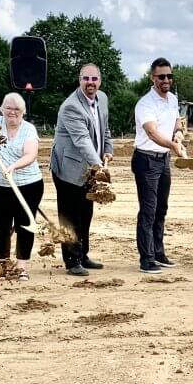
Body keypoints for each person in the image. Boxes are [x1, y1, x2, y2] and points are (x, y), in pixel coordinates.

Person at [51, 64, 113, 276]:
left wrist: (108, 149)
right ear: (79, 80)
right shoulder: (71, 107)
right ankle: (71, 260)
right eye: (86, 78)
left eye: (94, 79)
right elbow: (82, 141)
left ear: (100, 80)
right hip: (68, 168)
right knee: (70, 216)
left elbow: (105, 128)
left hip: (89, 168)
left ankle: (83, 255)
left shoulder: (102, 99)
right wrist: (99, 167)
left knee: (86, 213)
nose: (90, 83)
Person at [132, 57, 183, 274]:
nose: (166, 80)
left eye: (169, 76)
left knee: (161, 208)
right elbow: (152, 132)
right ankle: (147, 258)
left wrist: (179, 133)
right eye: (161, 76)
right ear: (153, 78)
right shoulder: (145, 104)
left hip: (163, 161)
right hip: (146, 160)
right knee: (148, 210)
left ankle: (158, 251)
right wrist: (174, 145)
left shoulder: (172, 99)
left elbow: (177, 121)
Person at [0, 92, 43, 280]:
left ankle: (21, 267)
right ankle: (3, 264)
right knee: (0, 226)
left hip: (28, 185)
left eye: (17, 109)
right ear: (2, 109)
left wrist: (13, 166)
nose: (12, 112)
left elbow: (30, 154)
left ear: (23, 112)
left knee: (25, 225)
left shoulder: (29, 129)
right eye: (8, 108)